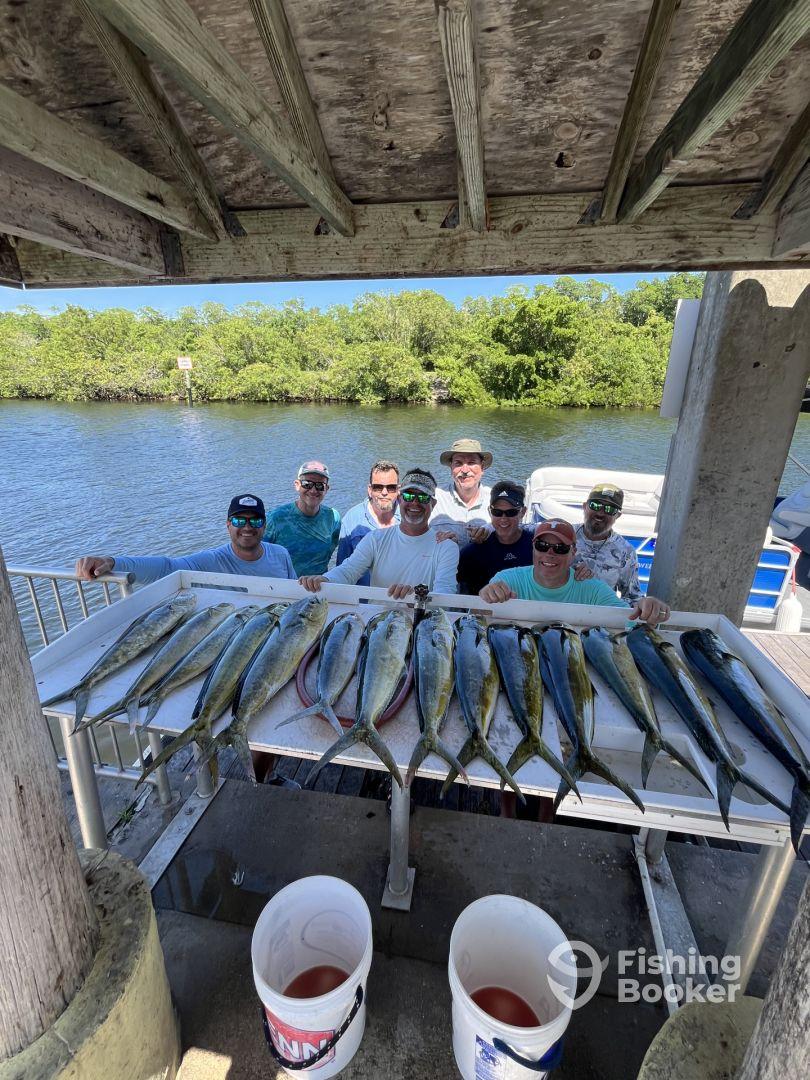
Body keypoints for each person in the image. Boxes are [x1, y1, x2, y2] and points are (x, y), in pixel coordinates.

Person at [300, 469, 459, 598]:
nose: (415, 503)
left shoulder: (446, 547)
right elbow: (348, 570)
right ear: (399, 499)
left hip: (423, 624)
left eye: (423, 497)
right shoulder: (375, 539)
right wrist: (325, 579)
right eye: (409, 495)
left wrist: (416, 596)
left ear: (433, 503)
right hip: (378, 625)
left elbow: (445, 593)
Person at [479, 518, 670, 625]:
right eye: (542, 546)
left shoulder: (594, 590)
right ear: (533, 548)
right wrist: (485, 595)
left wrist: (647, 608)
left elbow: (631, 621)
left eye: (561, 548)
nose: (550, 553)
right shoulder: (506, 579)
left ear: (573, 553)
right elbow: (479, 617)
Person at [75, 494, 295, 585]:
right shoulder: (211, 560)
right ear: (228, 524)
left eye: (255, 522)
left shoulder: (280, 554)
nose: (247, 527)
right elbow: (168, 567)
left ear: (264, 526)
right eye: (239, 521)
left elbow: (295, 593)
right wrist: (113, 562)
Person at [457, 480, 534, 595]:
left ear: (522, 512)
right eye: (497, 512)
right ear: (489, 512)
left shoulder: (537, 547)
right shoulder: (471, 552)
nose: (503, 518)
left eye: (511, 512)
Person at [264, 461, 341, 577]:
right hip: (282, 588)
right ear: (297, 485)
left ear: (327, 489)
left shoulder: (333, 518)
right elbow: (259, 555)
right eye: (307, 484)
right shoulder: (275, 518)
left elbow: (330, 551)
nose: (313, 490)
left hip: (318, 589)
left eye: (320, 485)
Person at [572, 483, 643, 603]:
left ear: (618, 515)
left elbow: (633, 598)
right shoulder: (564, 534)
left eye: (610, 509)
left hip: (598, 617)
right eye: (595, 505)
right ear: (584, 506)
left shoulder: (626, 552)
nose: (600, 513)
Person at [336, 460, 401, 586]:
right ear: (370, 489)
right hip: (362, 602)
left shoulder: (409, 516)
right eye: (378, 487)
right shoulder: (352, 519)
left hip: (400, 600)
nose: (384, 492)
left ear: (398, 490)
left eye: (391, 487)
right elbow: (342, 567)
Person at [430, 437, 493, 543]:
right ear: (451, 467)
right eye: (458, 463)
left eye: (471, 462)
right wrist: (436, 539)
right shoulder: (434, 497)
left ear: (482, 467)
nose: (464, 470)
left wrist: (490, 533)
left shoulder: (495, 499)